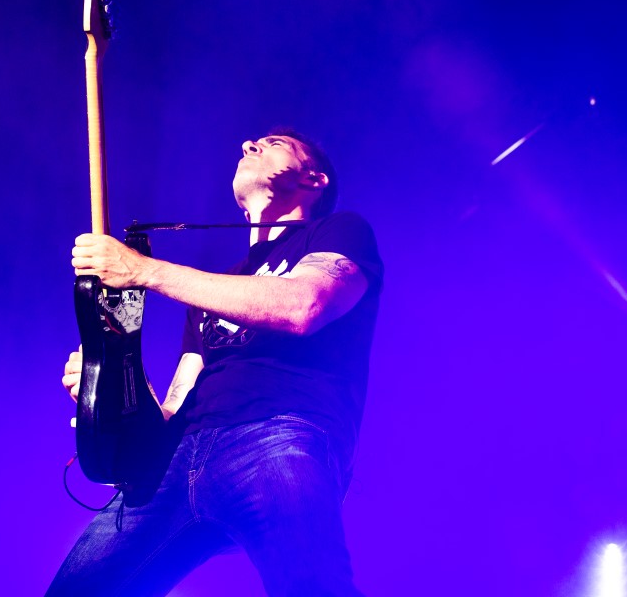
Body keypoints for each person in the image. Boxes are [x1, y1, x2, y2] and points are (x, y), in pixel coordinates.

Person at [47, 128, 384, 596]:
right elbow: (170, 410)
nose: (249, 145)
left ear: (314, 178)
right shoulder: (216, 288)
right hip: (176, 455)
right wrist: (108, 390)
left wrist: (143, 270)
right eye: (252, 142)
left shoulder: (337, 232)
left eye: (274, 143)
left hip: (277, 432)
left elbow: (304, 305)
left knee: (310, 585)